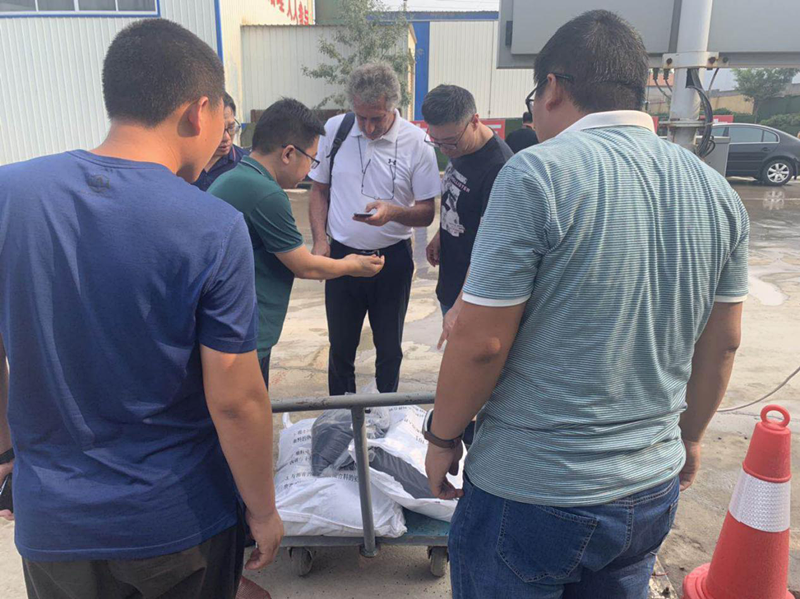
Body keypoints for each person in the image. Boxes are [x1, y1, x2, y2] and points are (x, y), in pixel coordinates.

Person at [424, 10, 748, 599]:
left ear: (552, 87)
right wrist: (691, 437)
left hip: (534, 489)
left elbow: (482, 342)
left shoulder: (536, 174)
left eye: (533, 101)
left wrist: (442, 437)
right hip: (649, 487)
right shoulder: (716, 191)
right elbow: (722, 343)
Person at [0, 19, 283, 599]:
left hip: (53, 522)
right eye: (224, 124)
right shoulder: (212, 225)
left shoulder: (10, 195)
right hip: (174, 523)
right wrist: (263, 510)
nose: (223, 139)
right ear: (198, 111)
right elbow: (235, 399)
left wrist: (6, 452)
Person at [209, 98, 385, 388]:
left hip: (225, 327)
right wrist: (353, 265)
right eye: (312, 159)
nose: (311, 171)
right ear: (289, 153)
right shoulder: (265, 194)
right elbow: (305, 266)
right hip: (242, 334)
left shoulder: (235, 177)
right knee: (248, 410)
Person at [309, 63, 441, 396]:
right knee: (340, 348)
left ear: (393, 106)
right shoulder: (335, 130)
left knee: (389, 348)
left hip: (391, 260)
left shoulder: (417, 142)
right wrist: (320, 240)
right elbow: (319, 189)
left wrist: (393, 213)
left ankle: (386, 413)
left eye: (377, 118)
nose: (368, 127)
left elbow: (427, 212)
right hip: (341, 258)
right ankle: (341, 415)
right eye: (361, 117)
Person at [422, 85, 513, 339]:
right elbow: (459, 197)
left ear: (474, 121)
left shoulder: (498, 168)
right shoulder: (459, 145)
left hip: (474, 298)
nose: (444, 150)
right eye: (436, 141)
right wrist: (441, 234)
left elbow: (489, 247)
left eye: (449, 142)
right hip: (451, 282)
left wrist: (460, 306)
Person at [193, 92, 247, 191]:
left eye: (231, 127)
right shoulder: (184, 162)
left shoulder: (245, 164)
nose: (226, 137)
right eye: (218, 129)